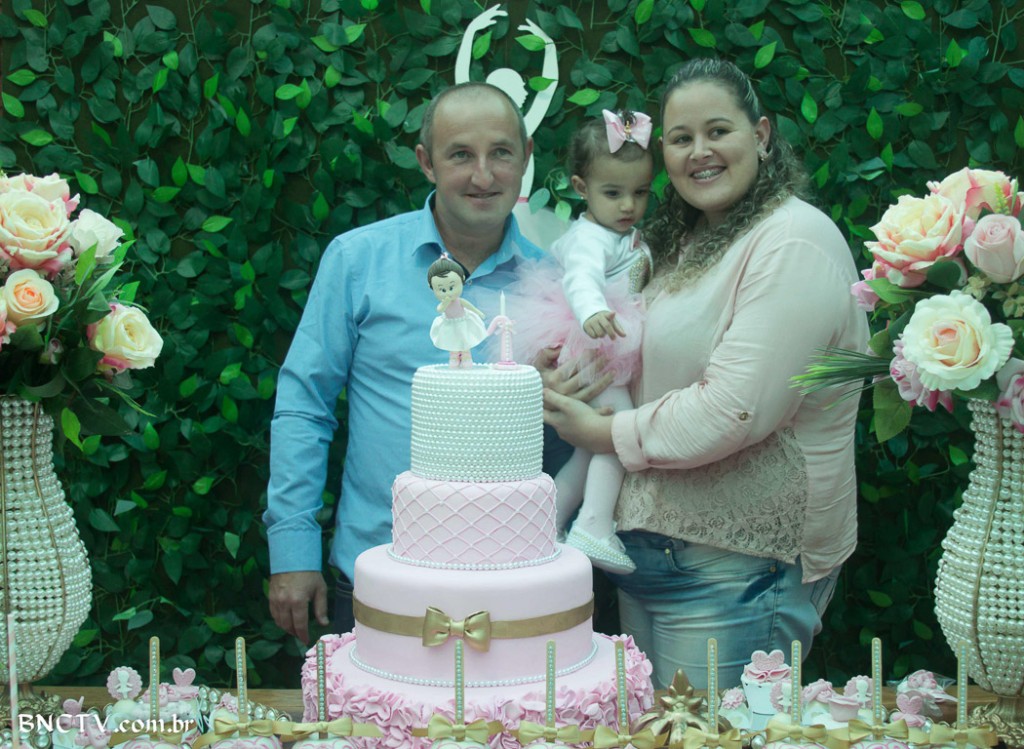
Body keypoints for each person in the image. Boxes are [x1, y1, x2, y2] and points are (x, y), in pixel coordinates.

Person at [541, 58, 870, 690]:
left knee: (715, 734)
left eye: (718, 131)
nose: (699, 152)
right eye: (681, 138)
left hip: (738, 569)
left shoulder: (792, 241)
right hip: (649, 554)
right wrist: (570, 375)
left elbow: (733, 410)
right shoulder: (683, 241)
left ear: (762, 135)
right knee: (655, 732)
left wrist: (602, 432)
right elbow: (637, 360)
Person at [265, 82, 590, 644]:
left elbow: (569, 441)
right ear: (426, 162)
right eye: (461, 154)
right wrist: (292, 549)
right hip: (376, 571)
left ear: (526, 157)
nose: (483, 175)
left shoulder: (556, 285)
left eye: (501, 152)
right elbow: (304, 406)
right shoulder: (359, 260)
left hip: (513, 581)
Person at [512, 110, 654, 575]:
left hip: (604, 339)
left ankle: (544, 524)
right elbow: (581, 277)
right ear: (580, 187)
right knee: (616, 433)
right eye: (613, 193)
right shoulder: (590, 237)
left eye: (640, 192)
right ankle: (593, 525)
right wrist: (592, 310)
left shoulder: (619, 233)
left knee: (589, 447)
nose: (628, 205)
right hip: (593, 341)